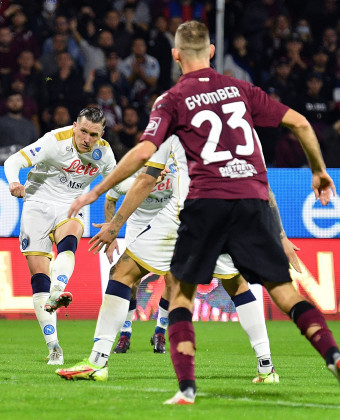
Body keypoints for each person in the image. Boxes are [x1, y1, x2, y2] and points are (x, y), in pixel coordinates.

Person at [66, 21, 340, 407]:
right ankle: (319, 358)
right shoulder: (241, 94)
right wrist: (317, 174)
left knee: (160, 284)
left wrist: (97, 196)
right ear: (210, 52)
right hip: (252, 204)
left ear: (175, 55)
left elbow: (144, 167)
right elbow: (300, 125)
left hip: (200, 208)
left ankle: (135, 372)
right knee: (268, 290)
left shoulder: (172, 102)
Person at [57, 135, 295, 383]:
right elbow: (263, 187)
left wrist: (115, 226)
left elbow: (145, 179)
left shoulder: (176, 122)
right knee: (237, 285)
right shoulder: (244, 126)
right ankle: (266, 367)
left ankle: (97, 362)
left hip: (183, 217)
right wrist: (280, 236)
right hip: (228, 218)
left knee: (122, 273)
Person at [2, 106, 129, 366]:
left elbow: (117, 184)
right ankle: (54, 347)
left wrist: (145, 182)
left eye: (94, 134)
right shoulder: (53, 142)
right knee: (39, 278)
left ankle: (57, 290)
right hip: (37, 204)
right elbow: (13, 161)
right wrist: (14, 181)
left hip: (72, 204)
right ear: (74, 126)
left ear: (101, 133)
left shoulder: (103, 152)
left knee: (69, 241)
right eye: (83, 131)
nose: (87, 139)